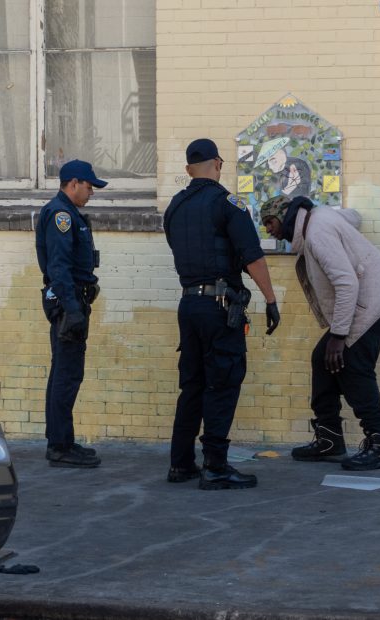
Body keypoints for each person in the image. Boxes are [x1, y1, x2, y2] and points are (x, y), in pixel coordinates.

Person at [163, 138, 281, 490]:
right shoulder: (228, 203)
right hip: (220, 307)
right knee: (223, 382)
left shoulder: (175, 207)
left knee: (193, 386)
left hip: (189, 305)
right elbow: (252, 256)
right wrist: (271, 300)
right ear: (218, 164)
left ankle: (181, 464)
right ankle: (215, 466)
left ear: (188, 170)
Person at [260, 195, 380, 470]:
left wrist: (338, 337)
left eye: (269, 222)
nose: (268, 229)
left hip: (374, 301)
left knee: (353, 366)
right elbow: (355, 217)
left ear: (285, 215)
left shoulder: (317, 232)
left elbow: (346, 283)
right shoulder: (320, 218)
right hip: (374, 298)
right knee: (322, 359)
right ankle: (330, 440)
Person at [35, 159, 107, 468]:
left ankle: (61, 439)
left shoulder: (67, 213)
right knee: (67, 374)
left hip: (72, 300)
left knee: (63, 372)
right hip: (68, 304)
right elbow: (59, 267)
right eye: (89, 187)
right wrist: (73, 309)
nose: (91, 192)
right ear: (73, 183)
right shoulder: (61, 215)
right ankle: (60, 446)